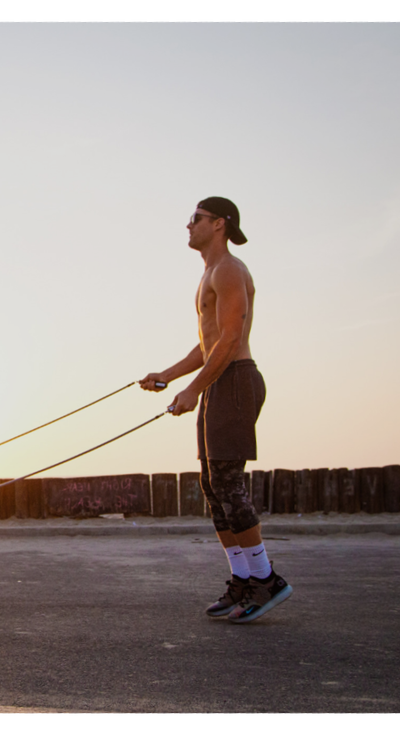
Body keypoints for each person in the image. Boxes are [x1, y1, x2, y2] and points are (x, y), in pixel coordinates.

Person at [139, 197, 291, 624]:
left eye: (197, 219)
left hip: (236, 380)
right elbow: (206, 344)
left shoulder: (229, 269)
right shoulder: (209, 273)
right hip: (219, 381)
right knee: (213, 486)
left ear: (220, 224)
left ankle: (266, 580)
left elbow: (229, 339)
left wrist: (192, 390)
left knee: (227, 482)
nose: (189, 225)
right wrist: (167, 376)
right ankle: (242, 580)